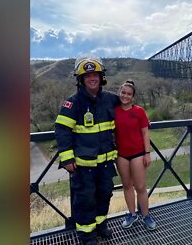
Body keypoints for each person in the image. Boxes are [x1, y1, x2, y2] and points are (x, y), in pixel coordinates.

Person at [54, 56, 120, 245]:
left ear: (101, 77)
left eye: (95, 74)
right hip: (84, 165)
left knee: (105, 194)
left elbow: (127, 106)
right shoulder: (73, 103)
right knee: (85, 200)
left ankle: (100, 225)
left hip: (106, 163)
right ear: (81, 80)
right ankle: (86, 235)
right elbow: (62, 129)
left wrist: (140, 118)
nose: (92, 78)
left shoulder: (109, 99)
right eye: (87, 75)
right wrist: (67, 158)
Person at [114, 80, 157, 231]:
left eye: (129, 94)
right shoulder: (114, 110)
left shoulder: (139, 111)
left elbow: (145, 133)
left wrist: (147, 153)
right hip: (121, 155)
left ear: (133, 97)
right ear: (120, 93)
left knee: (140, 187)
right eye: (123, 92)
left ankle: (146, 215)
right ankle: (132, 214)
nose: (125, 96)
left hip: (138, 153)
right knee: (127, 186)